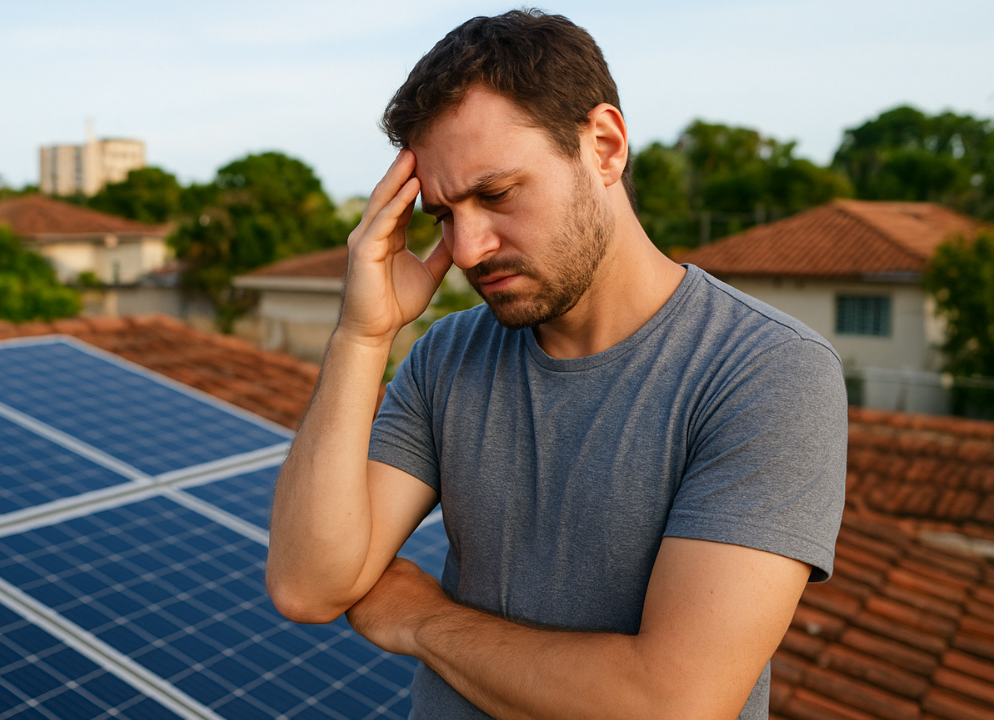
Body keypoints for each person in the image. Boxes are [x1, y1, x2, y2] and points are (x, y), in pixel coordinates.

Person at [265, 9, 845, 719]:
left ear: (603, 146)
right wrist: (362, 336)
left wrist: (423, 620)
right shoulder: (447, 355)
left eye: (497, 194)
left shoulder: (765, 370)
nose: (470, 248)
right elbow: (307, 584)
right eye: (444, 214)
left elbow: (671, 704)